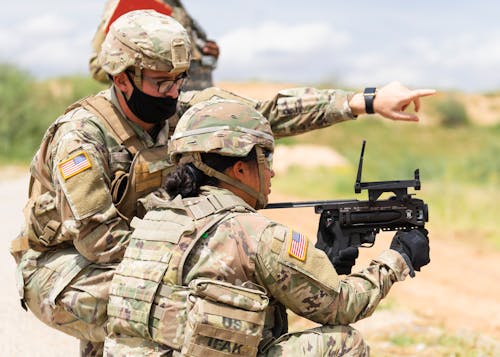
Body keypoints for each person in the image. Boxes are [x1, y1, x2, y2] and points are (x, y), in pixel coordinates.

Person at [9, 9, 435, 357]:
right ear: (122, 78)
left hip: (142, 258)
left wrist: (365, 101)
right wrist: (204, 255)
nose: (174, 92)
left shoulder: (178, 110)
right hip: (64, 270)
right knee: (219, 307)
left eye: (179, 79)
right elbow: (99, 242)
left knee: (205, 293)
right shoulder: (81, 137)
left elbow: (266, 113)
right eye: (162, 82)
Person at [103, 99, 431, 356]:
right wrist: (398, 258)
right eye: (266, 161)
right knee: (343, 342)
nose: (271, 174)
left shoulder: (155, 219)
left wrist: (326, 264)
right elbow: (342, 306)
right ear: (241, 168)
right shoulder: (255, 234)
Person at [89, 0, 220, 90]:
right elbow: (98, 68)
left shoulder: (175, 4)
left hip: (192, 105)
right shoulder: (129, 3)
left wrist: (205, 54)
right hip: (159, 112)